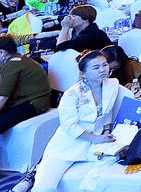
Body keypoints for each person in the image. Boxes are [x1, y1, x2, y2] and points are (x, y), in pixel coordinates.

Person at [27, 50, 120, 192]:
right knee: (44, 187)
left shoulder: (112, 84)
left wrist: (106, 132)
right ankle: (32, 175)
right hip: (68, 144)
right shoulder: (72, 94)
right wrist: (96, 138)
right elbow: (69, 126)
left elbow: (108, 111)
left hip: (94, 143)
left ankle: (85, 189)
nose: (102, 70)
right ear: (83, 74)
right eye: (96, 67)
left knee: (114, 157)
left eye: (105, 65)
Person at [0, 36, 51, 138]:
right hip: (30, 101)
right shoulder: (18, 59)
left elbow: (2, 97)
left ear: (2, 52)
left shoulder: (11, 65)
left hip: (33, 104)